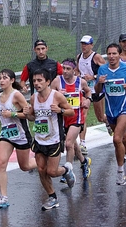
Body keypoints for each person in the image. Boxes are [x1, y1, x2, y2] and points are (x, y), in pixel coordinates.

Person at [23, 68, 75, 210]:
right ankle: (52, 197)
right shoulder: (33, 98)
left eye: (40, 80)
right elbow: (34, 117)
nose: (36, 83)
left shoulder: (56, 96)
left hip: (54, 140)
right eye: (34, 81)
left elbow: (71, 112)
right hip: (39, 139)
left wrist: (61, 111)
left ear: (47, 82)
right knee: (41, 169)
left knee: (51, 172)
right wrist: (28, 114)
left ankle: (66, 170)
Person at [95, 43, 126, 185]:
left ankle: (120, 172)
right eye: (109, 54)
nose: (111, 57)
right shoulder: (103, 70)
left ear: (119, 55)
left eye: (114, 54)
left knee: (116, 139)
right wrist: (100, 82)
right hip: (111, 110)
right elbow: (98, 90)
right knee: (123, 139)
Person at [0, 69, 36, 209]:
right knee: (1, 163)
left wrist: (13, 113)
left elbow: (29, 115)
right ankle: (3, 198)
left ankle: (42, 160)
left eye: (5, 78)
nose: (2, 80)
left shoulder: (17, 95)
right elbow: (4, 113)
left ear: (12, 80)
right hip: (6, 135)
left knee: (25, 166)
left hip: (21, 135)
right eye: (0, 78)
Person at [50, 58, 92, 181]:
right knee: (73, 145)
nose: (65, 71)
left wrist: (87, 100)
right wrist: (57, 94)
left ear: (74, 70)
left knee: (68, 144)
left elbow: (88, 92)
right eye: (63, 68)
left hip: (76, 117)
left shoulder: (81, 82)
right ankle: (84, 162)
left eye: (68, 69)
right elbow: (49, 96)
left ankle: (68, 171)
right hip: (62, 118)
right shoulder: (57, 81)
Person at [76, 35, 109, 157]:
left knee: (100, 117)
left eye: (86, 44)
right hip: (84, 90)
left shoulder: (96, 57)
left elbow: (106, 71)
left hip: (96, 90)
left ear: (91, 45)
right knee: (83, 115)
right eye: (82, 44)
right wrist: (79, 75)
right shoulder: (79, 57)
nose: (84, 46)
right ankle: (83, 143)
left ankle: (106, 121)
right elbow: (77, 70)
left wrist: (94, 77)